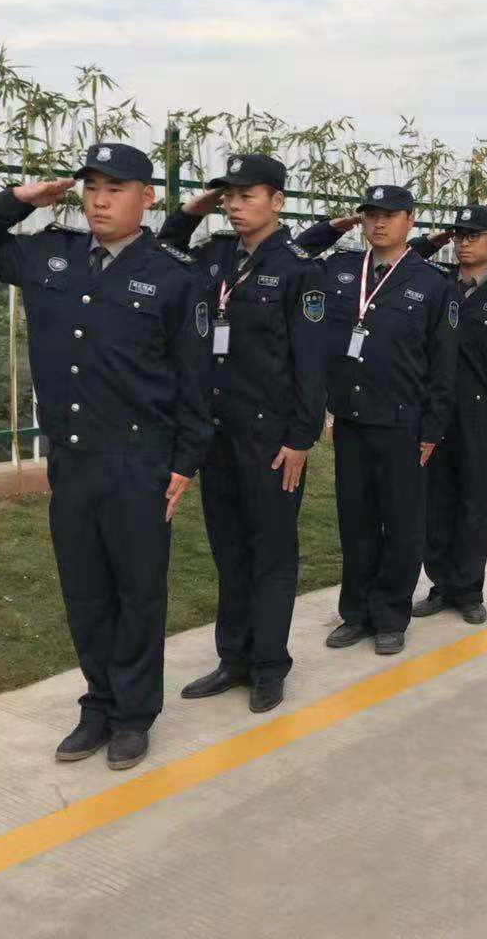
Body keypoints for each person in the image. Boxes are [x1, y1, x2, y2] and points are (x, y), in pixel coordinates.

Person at [0, 142, 212, 771]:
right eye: (92, 187)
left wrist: (184, 462)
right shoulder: (53, 253)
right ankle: (98, 705)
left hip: (140, 461)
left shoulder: (175, 275)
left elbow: (196, 379)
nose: (99, 200)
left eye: (115, 189)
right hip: (73, 458)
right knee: (86, 591)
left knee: (137, 591)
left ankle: (133, 715)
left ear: (146, 198)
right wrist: (19, 200)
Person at [155, 154, 327, 714]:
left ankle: (269, 665)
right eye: (227, 196)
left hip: (271, 439)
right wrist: (191, 209)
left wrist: (301, 438)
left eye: (245, 195)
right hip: (219, 433)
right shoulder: (217, 255)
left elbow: (311, 363)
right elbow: (165, 252)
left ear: (277, 201)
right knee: (229, 550)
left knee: (270, 551)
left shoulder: (299, 268)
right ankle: (234, 658)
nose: (233, 205)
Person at [292, 185, 460, 655]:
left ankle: (390, 615)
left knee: (401, 524)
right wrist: (330, 229)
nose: (379, 223)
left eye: (389, 215)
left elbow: (443, 364)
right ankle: (357, 613)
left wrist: (433, 428)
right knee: (357, 521)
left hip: (404, 424)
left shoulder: (432, 283)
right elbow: (293, 255)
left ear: (410, 220)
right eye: (370, 215)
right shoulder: (341, 269)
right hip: (351, 419)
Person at [399, 205, 487, 626]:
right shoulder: (438, 283)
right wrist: (435, 238)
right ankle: (441, 585)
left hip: (479, 417)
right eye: (458, 235)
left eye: (474, 235)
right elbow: (406, 257)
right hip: (434, 413)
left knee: (473, 505)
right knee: (435, 502)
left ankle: (469, 590)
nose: (464, 244)